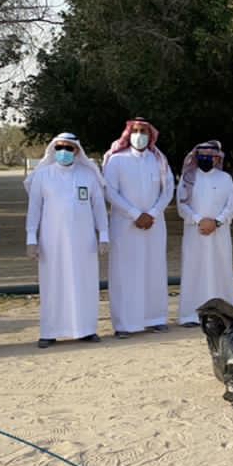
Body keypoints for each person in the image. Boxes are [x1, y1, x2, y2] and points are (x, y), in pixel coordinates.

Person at [25, 133, 109, 348]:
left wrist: (104, 235)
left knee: (85, 283)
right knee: (52, 284)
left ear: (77, 151)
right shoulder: (42, 176)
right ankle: (50, 331)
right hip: (52, 242)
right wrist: (31, 239)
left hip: (84, 241)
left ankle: (86, 329)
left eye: (69, 148)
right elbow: (34, 209)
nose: (64, 152)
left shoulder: (88, 175)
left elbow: (99, 207)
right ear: (53, 150)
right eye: (59, 147)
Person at [102, 117, 174, 338]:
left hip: (154, 224)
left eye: (144, 131)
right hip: (125, 226)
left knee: (154, 269)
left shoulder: (158, 160)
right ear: (128, 133)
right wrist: (135, 214)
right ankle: (125, 323)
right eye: (135, 131)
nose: (139, 135)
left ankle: (155, 318)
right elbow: (109, 191)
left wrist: (152, 214)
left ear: (150, 135)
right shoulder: (116, 160)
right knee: (125, 273)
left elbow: (168, 190)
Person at [176, 140, 233, 326]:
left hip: (219, 233)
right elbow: (182, 205)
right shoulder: (187, 178)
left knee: (220, 270)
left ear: (217, 158)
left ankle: (223, 314)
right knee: (193, 271)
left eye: (210, 156)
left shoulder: (225, 178)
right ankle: (191, 315)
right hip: (195, 233)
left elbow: (231, 206)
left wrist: (216, 222)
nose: (206, 159)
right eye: (202, 155)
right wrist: (199, 220)